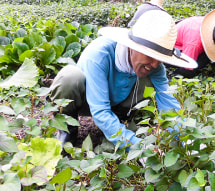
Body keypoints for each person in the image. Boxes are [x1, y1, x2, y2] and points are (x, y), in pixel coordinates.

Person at [48, 10, 197, 150]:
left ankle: (118, 120)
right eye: (150, 55)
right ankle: (67, 129)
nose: (155, 64)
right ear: (133, 47)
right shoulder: (99, 55)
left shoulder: (155, 67)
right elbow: (100, 111)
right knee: (69, 77)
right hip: (88, 101)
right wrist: (137, 147)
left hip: (120, 103)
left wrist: (186, 139)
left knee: (151, 81)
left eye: (160, 59)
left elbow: (167, 101)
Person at [170, 8, 215, 81]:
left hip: (184, 34)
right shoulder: (194, 44)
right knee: (196, 65)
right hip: (172, 48)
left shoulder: (212, 25)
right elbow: (187, 67)